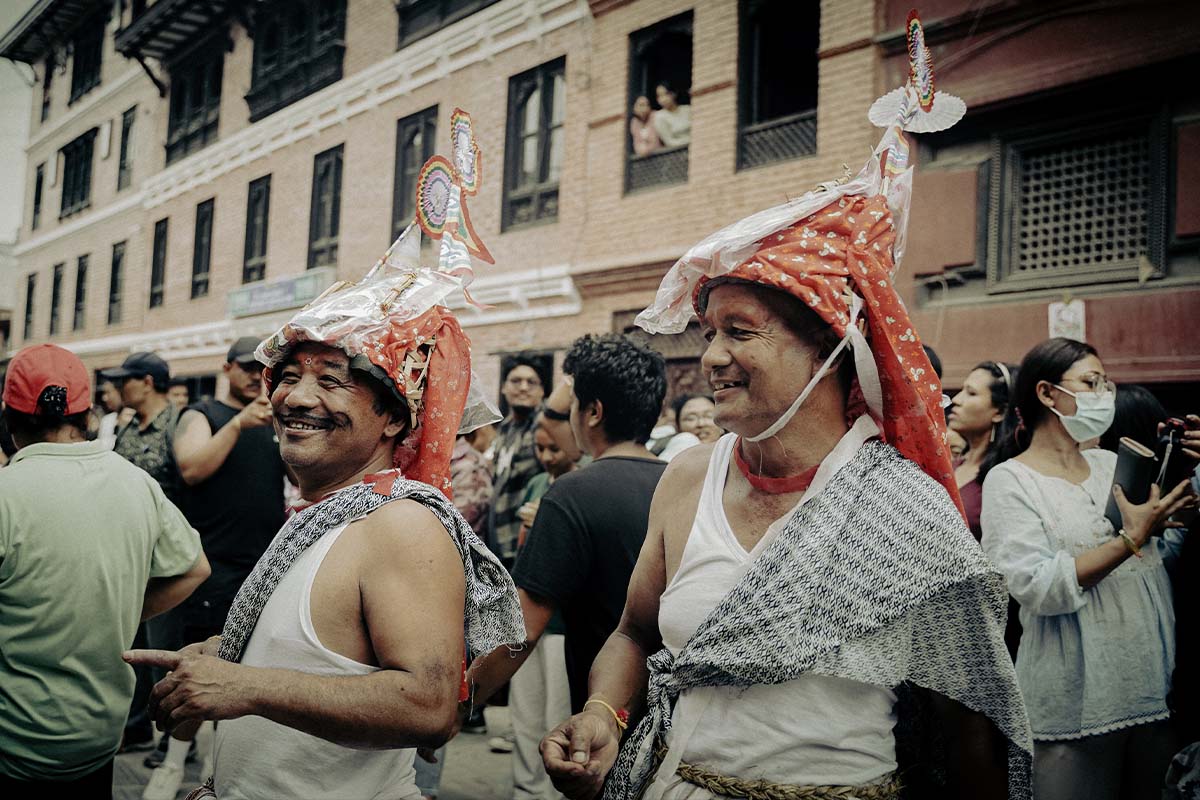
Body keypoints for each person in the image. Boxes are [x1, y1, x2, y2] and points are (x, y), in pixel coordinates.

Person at [539, 111, 1031, 799]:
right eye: (710, 332)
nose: (711, 359)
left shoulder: (906, 513)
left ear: (831, 349)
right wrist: (602, 713)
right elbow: (633, 632)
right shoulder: (686, 478)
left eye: (740, 332)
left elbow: (968, 735)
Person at [125, 192, 525, 799]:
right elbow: (324, 655)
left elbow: (430, 706)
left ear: (393, 418)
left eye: (331, 380)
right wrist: (224, 658)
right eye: (287, 376)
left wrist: (247, 688)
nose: (296, 397)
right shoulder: (323, 514)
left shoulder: (400, 525)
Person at [980, 337, 1196, 800]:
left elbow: (1155, 554)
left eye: (1106, 383)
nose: (1105, 394)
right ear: (1046, 393)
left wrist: (1177, 500)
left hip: (1148, 683)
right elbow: (1037, 587)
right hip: (1075, 694)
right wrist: (1129, 539)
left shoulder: (1109, 463)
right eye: (1091, 382)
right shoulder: (1011, 480)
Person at [0, 344, 210, 794]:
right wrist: (115, 610)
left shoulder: (5, 492)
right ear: (86, 413)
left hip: (14, 741)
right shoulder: (136, 482)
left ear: (10, 418)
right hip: (98, 737)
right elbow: (195, 568)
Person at [468, 334, 668, 720]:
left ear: (592, 412)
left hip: (604, 710)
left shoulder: (570, 493)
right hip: (671, 709)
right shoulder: (683, 482)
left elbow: (522, 628)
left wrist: (462, 703)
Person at [139, 337, 287, 800]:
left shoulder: (271, 419)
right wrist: (240, 423)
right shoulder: (204, 413)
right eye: (245, 366)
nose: (252, 375)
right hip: (213, 566)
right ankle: (174, 763)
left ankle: (217, 769)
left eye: (260, 368)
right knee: (201, 668)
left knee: (244, 672)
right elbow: (192, 468)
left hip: (260, 568)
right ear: (227, 368)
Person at [504, 414, 582, 800]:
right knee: (525, 714)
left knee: (557, 713)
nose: (547, 457)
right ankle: (526, 789)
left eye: (554, 448)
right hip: (526, 613)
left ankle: (555, 791)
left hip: (561, 621)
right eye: (540, 449)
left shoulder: (578, 485)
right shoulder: (536, 482)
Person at [489, 355, 549, 567]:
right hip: (500, 543)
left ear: (542, 391)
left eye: (531, 382)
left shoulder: (545, 430)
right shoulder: (504, 429)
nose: (523, 388)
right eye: (516, 381)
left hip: (529, 544)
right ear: (504, 387)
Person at [949, 361, 1017, 541]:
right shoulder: (951, 465)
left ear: (999, 412)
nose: (956, 400)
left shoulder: (1004, 477)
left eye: (971, 393)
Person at [104, 352, 181, 500]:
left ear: (147, 383)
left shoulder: (177, 425)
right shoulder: (128, 424)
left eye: (124, 381)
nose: (120, 388)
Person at [652, 82, 691, 148]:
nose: (663, 99)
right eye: (659, 96)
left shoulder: (687, 109)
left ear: (674, 94)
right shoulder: (659, 116)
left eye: (666, 94)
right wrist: (690, 141)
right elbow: (669, 142)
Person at [96, 377, 124, 449]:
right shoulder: (107, 420)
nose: (104, 398)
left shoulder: (133, 420)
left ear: (119, 392)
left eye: (108, 392)